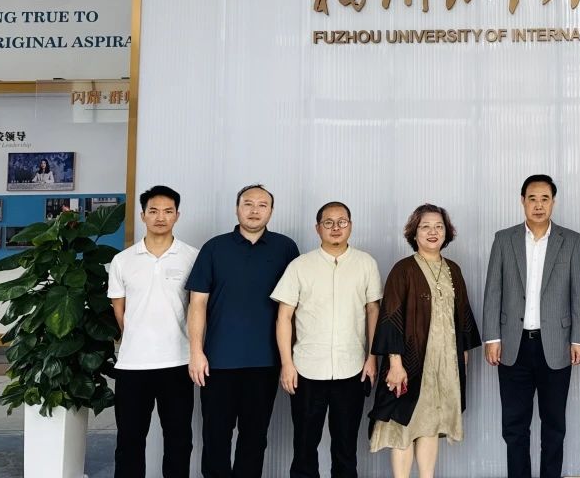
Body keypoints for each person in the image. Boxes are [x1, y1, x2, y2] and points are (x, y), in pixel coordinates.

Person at [185, 184, 299, 478]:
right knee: (215, 437)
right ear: (237, 208)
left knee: (254, 438)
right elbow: (197, 303)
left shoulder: (286, 248)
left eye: (262, 205)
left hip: (265, 361)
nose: (254, 210)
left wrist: (290, 359)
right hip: (217, 362)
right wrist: (196, 352)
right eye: (248, 203)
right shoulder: (214, 248)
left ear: (271, 211)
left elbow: (294, 308)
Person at [482, 174, 580, 478]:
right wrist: (492, 337)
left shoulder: (572, 240)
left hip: (555, 345)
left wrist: (579, 339)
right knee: (514, 426)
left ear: (553, 202)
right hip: (513, 345)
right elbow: (493, 291)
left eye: (545, 199)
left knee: (554, 426)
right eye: (532, 199)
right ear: (522, 201)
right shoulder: (504, 239)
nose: (538, 205)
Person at [368, 204, 482, 478]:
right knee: (404, 425)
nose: (433, 232)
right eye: (425, 226)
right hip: (410, 362)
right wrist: (395, 364)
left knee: (431, 423)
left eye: (439, 226)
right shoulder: (403, 269)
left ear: (447, 232)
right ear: (414, 233)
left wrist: (462, 358)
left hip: (444, 365)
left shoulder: (453, 270)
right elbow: (390, 316)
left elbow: (462, 315)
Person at [272, 201, 382, 478]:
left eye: (342, 222)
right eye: (328, 222)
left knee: (346, 447)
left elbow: (373, 311)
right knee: (304, 446)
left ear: (350, 226)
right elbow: (284, 316)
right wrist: (287, 364)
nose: (335, 228)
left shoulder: (365, 263)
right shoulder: (300, 266)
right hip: (307, 369)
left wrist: (372, 358)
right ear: (317, 228)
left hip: (352, 368)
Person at [107, 185, 198, 478]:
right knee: (129, 440)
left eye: (168, 211)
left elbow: (198, 308)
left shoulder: (192, 257)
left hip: (178, 362)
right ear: (143, 215)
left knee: (179, 439)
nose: (161, 217)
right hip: (133, 365)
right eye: (154, 211)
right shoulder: (123, 260)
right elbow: (119, 310)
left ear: (177, 215)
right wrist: (139, 337)